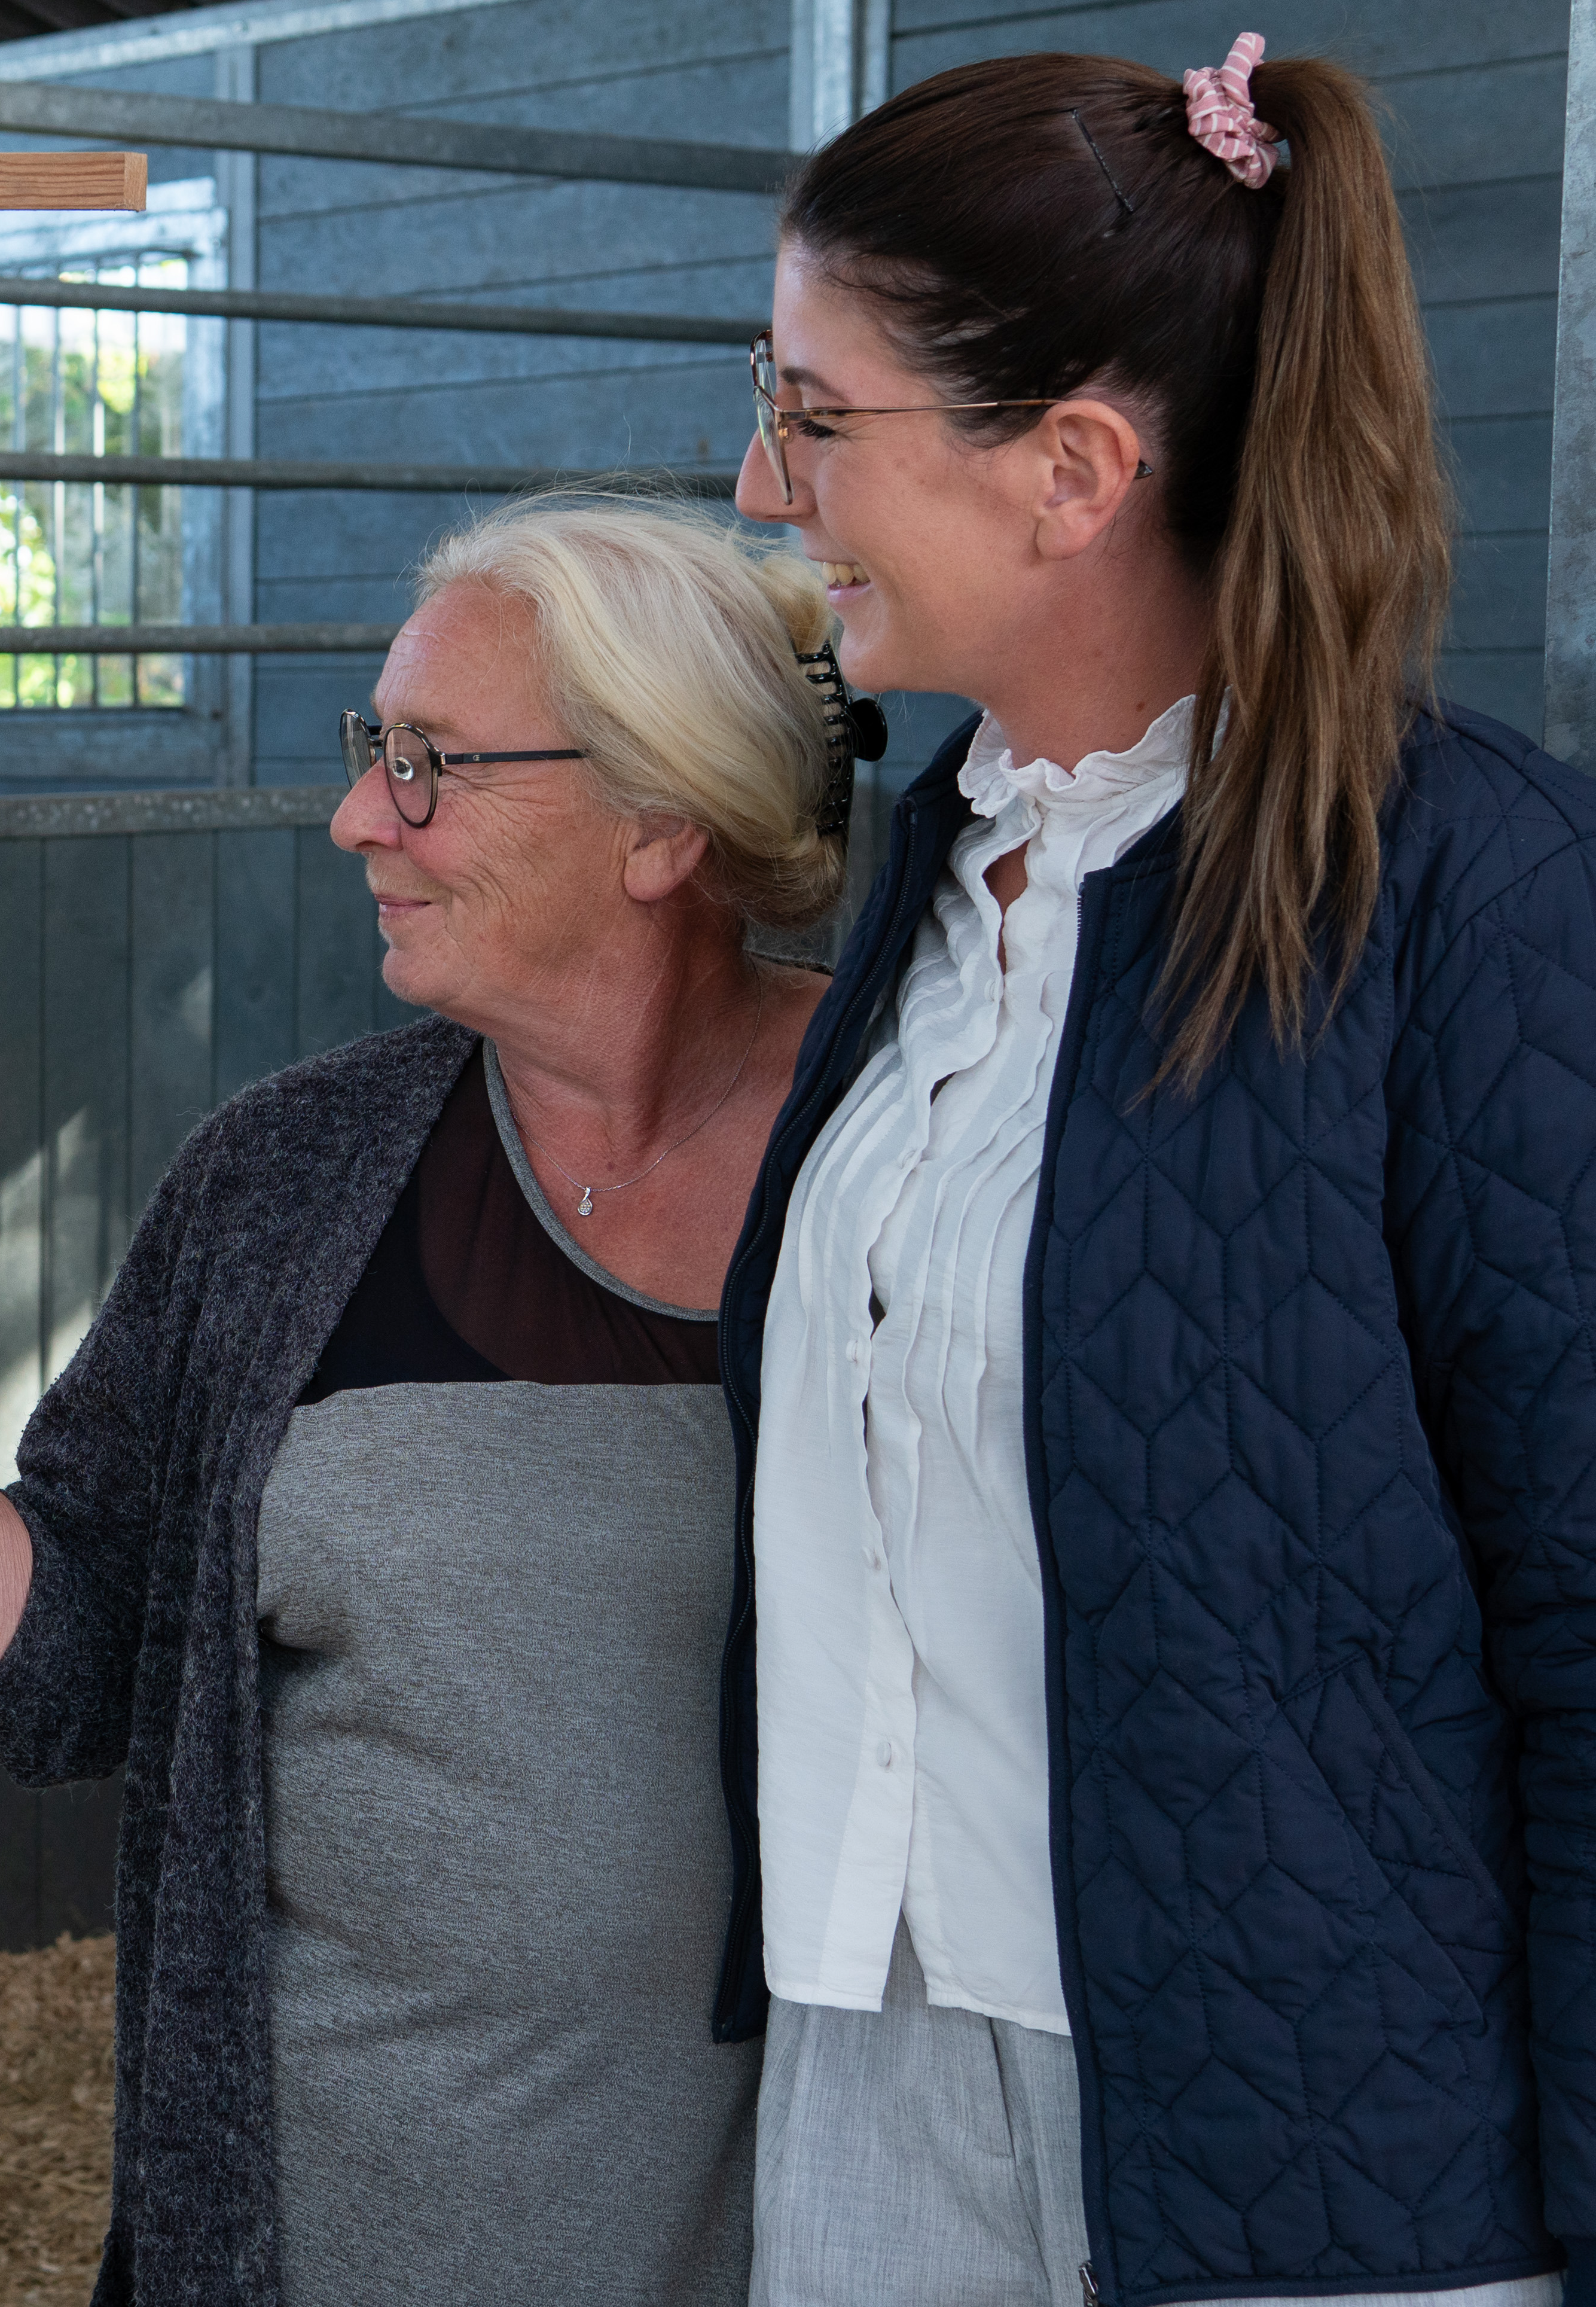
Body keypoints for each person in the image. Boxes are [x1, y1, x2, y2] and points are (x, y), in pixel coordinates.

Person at [0, 493, 869, 2306]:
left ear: (662, 821)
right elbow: (69, 1670)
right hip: (311, 2246)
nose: (358, 814)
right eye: (373, 746)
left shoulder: (906, 1155)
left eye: (429, 762)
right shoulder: (285, 1184)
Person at [727, 36, 1596, 2307]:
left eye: (814, 418)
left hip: (1313, 2157)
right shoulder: (941, 871)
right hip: (875, 2052)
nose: (756, 483)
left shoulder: (1480, 897)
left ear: (1072, 470)